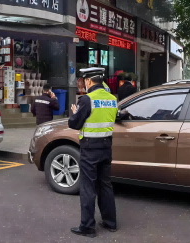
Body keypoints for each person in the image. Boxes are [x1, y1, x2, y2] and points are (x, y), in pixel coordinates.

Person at [68, 67, 118, 238]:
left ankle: (88, 227)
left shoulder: (87, 99)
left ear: (88, 81)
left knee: (88, 187)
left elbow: (74, 124)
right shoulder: (112, 99)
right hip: (106, 148)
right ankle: (110, 222)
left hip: (90, 149)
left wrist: (75, 113)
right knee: (105, 185)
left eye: (84, 81)